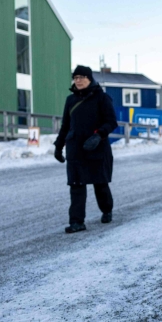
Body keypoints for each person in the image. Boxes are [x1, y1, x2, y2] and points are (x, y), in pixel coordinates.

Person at [53, 65, 118, 233]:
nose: (78, 80)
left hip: (96, 147)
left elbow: (111, 121)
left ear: (90, 79)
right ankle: (77, 222)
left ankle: (106, 210)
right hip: (76, 148)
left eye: (82, 77)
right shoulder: (70, 100)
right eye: (75, 78)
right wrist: (58, 146)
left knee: (100, 183)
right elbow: (66, 125)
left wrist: (98, 135)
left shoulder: (102, 98)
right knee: (76, 185)